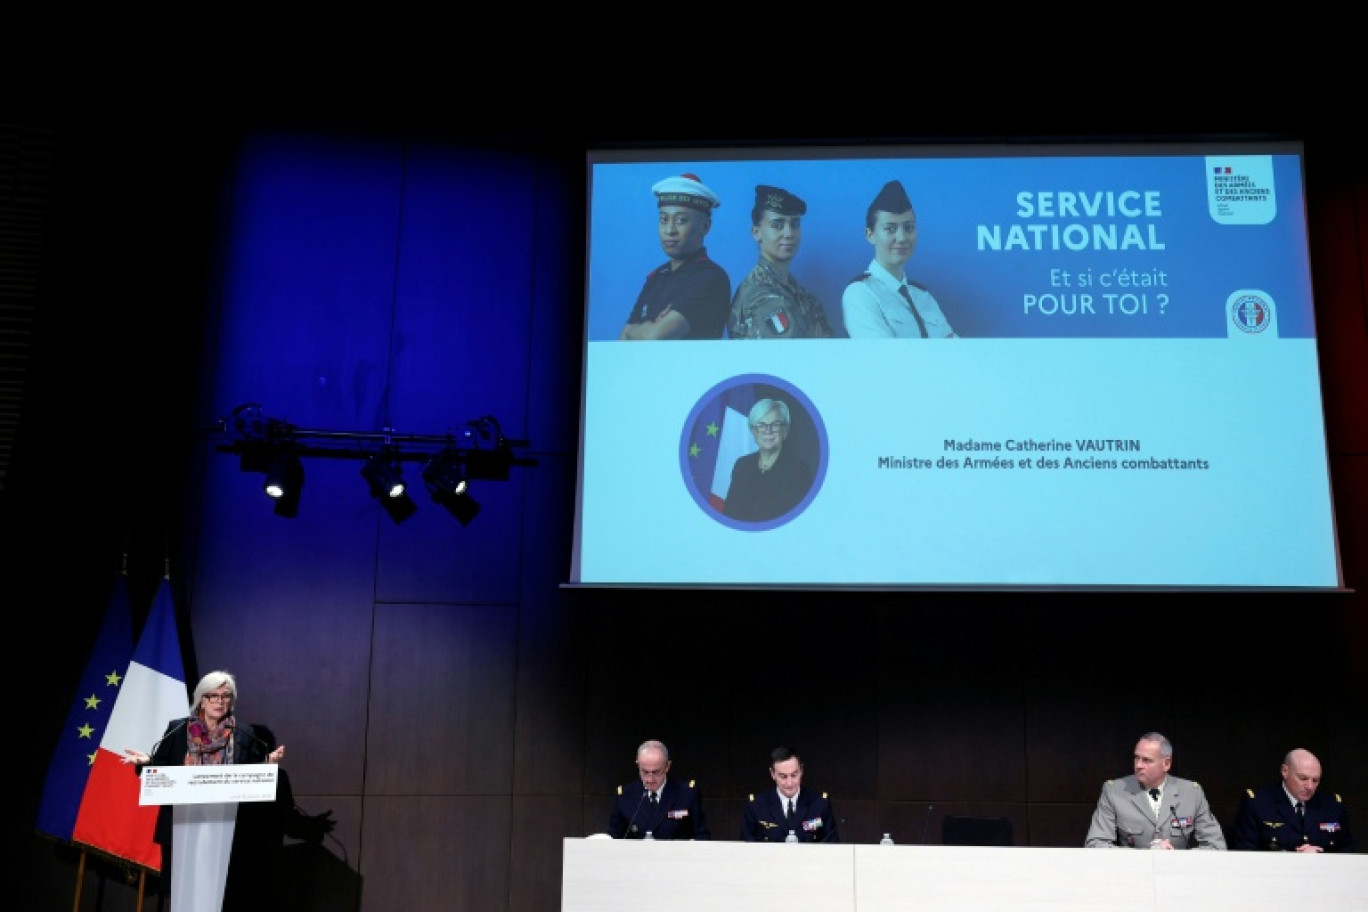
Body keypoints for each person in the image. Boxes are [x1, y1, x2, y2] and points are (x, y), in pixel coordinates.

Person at [120, 671, 289, 911]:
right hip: (182, 826)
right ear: (201, 699)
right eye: (213, 696)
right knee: (183, 895)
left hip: (225, 828)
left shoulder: (244, 734)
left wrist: (267, 766)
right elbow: (162, 767)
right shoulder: (178, 729)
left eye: (226, 696)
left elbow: (252, 783)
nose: (220, 701)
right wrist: (147, 763)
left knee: (223, 896)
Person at [619, 173, 731, 340]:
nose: (669, 230)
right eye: (663, 219)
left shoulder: (711, 277)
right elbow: (623, 339)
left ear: (705, 227)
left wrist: (634, 331)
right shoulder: (656, 277)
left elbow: (655, 338)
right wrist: (635, 331)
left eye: (681, 220)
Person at [842, 179, 958, 339]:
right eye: (890, 229)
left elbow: (955, 351)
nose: (902, 238)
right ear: (870, 235)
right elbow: (884, 358)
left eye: (909, 227)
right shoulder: (861, 293)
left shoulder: (923, 296)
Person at [1084, 731, 1226, 849]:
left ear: (1166, 763)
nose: (1138, 765)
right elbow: (1095, 844)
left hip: (1178, 874)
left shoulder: (1191, 793)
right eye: (1136, 758)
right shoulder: (1114, 791)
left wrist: (1176, 857)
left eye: (1146, 760)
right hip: (1132, 874)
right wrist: (1147, 856)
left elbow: (1216, 846)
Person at [726, 184, 835, 339]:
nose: (789, 233)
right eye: (777, 225)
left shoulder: (801, 295)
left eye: (794, 224)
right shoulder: (760, 295)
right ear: (757, 233)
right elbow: (787, 358)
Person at [1231, 747, 1354, 852]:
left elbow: (1347, 850)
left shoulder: (1332, 805)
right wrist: (1295, 860)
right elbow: (1245, 852)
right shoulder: (1258, 803)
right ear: (1285, 771)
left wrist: (1319, 859)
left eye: (1315, 780)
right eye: (1303, 778)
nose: (1310, 786)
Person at [722, 397, 815, 523]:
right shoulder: (742, 466)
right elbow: (729, 513)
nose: (768, 430)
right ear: (754, 432)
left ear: (784, 430)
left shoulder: (798, 472)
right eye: (761, 425)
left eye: (775, 424)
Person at [607, 739, 710, 840]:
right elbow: (614, 837)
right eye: (645, 772)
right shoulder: (625, 795)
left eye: (656, 772)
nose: (650, 779)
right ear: (638, 765)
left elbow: (701, 835)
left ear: (667, 766)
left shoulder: (687, 793)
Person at [741, 746, 839, 843]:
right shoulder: (757, 806)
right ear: (772, 774)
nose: (789, 783)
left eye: (794, 775)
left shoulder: (819, 804)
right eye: (783, 776)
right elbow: (746, 849)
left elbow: (831, 845)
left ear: (801, 770)